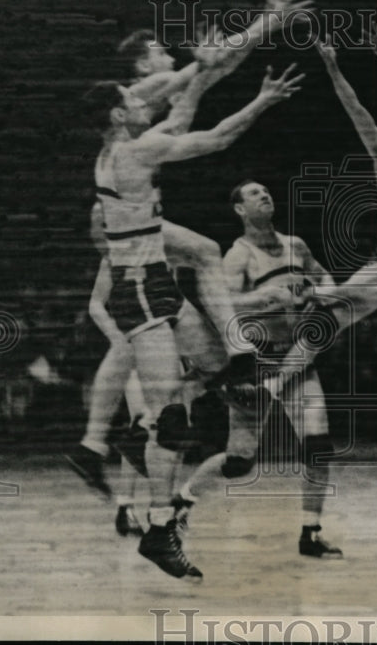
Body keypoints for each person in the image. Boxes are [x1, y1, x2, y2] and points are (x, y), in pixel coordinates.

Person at [66, 0, 312, 494]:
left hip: (131, 212)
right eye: (156, 50)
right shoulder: (138, 98)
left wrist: (237, 45)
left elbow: (202, 81)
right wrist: (264, 26)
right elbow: (204, 80)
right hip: (119, 216)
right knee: (129, 323)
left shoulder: (140, 115)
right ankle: (101, 441)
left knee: (194, 261)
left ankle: (125, 444)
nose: (166, 52)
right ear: (139, 70)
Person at [90, 62, 303, 580]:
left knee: (204, 377)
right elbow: (216, 137)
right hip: (139, 290)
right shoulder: (131, 153)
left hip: (158, 282)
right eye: (134, 98)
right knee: (169, 418)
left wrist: (210, 68)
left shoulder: (127, 144)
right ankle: (157, 519)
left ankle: (221, 370)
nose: (147, 101)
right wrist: (261, 100)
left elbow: (180, 111)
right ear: (120, 113)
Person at [269, 26, 377, 463]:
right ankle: (271, 386)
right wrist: (331, 64)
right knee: (332, 320)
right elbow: (356, 109)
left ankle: (318, 292)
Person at [171, 179, 343, 559]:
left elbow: (326, 278)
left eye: (267, 190)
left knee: (318, 445)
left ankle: (310, 532)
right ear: (239, 210)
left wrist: (320, 294)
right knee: (239, 463)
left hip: (297, 358)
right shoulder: (238, 254)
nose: (265, 194)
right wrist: (266, 299)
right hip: (258, 363)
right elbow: (223, 303)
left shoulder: (296, 245)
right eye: (254, 194)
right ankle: (182, 500)